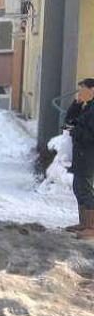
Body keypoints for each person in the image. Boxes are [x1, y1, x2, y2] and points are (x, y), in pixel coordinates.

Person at [64, 78, 94, 240]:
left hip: (89, 156)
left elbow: (90, 135)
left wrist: (74, 130)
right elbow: (68, 121)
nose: (79, 93)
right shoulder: (87, 107)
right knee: (78, 187)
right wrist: (76, 104)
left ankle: (91, 227)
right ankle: (84, 223)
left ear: (92, 90)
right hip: (80, 155)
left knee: (86, 189)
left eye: (82, 89)